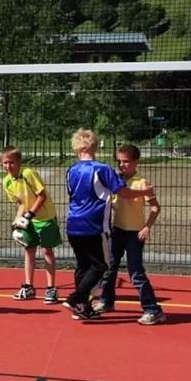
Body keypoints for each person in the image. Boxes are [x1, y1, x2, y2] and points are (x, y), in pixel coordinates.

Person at [62, 129, 155, 321]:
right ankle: (77, 298)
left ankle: (84, 307)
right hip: (93, 226)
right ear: (94, 147)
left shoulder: (71, 170)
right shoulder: (102, 169)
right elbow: (124, 193)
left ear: (75, 149)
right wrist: (143, 192)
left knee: (83, 265)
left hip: (72, 223)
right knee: (101, 266)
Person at [98, 144, 166, 325]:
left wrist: (147, 227)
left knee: (136, 273)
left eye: (126, 162)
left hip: (135, 234)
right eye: (119, 161)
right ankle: (106, 301)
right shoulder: (115, 181)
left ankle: (153, 309)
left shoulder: (141, 183)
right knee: (109, 268)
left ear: (136, 162)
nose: (122, 165)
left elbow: (155, 207)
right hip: (117, 231)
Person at [0, 147, 60, 303]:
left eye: (11, 162)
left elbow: (42, 196)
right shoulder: (6, 182)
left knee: (47, 251)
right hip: (30, 220)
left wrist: (30, 215)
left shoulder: (28, 174)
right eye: (5, 163)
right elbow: (21, 203)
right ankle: (28, 287)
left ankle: (51, 289)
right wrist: (16, 222)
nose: (8, 166)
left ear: (19, 162)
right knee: (29, 250)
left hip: (45, 218)